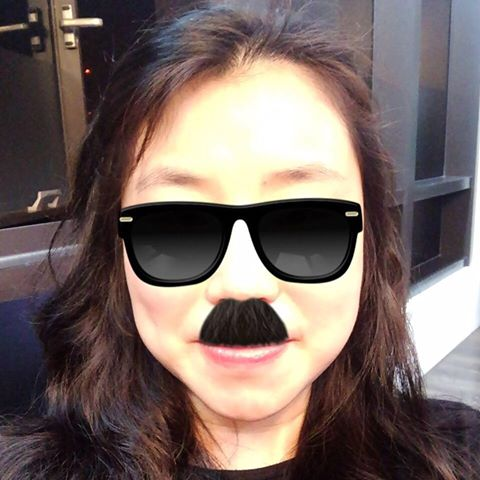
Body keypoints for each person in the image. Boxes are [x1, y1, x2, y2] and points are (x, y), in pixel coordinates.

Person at [1, 3, 479, 479]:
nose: (243, 283)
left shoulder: (456, 457)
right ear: (116, 255)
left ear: (369, 246)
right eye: (177, 229)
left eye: (304, 226)